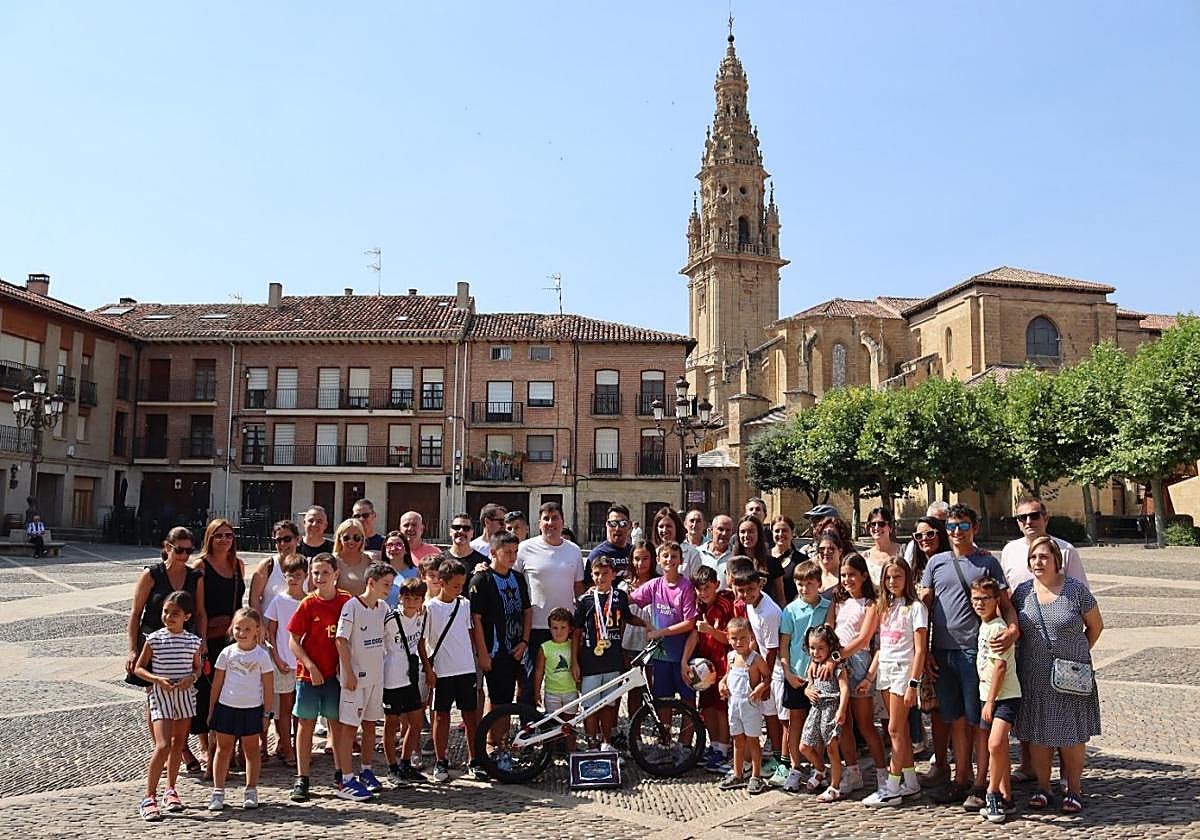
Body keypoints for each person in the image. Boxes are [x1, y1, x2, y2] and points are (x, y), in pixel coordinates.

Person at [919, 504, 1019, 809]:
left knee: (980, 722)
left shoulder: (987, 563)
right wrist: (924, 654)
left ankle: (981, 784)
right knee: (956, 720)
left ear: (974, 528)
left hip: (975, 653)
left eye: (963, 526)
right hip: (943, 653)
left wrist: (1014, 629)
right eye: (951, 527)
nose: (956, 533)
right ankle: (960, 780)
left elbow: (1006, 603)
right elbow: (923, 609)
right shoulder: (935, 563)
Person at [1012, 536, 1103, 815]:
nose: (1038, 562)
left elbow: (1096, 626)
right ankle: (1043, 786)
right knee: (1038, 734)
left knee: (1071, 735)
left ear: (1056, 561)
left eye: (1043, 557)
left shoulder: (1075, 591)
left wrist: (1077, 654)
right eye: (1033, 558)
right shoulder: (1022, 593)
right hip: (1034, 674)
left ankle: (1073, 789)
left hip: (1071, 677)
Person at [125, 526, 206, 771]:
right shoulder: (152, 574)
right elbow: (135, 613)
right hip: (153, 640)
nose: (183, 555)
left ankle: (178, 746)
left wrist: (200, 644)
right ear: (167, 547)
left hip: (184, 642)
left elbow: (201, 613)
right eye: (179, 550)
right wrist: (132, 649)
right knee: (155, 695)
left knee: (182, 693)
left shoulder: (195, 577)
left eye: (188, 550)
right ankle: (166, 750)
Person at [286, 552, 352, 803]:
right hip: (310, 676)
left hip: (336, 675)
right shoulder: (308, 604)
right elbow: (293, 640)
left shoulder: (347, 601)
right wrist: (310, 666)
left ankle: (341, 773)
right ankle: (302, 777)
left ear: (336, 574)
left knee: (336, 724)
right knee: (306, 725)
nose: (319, 577)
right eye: (315, 573)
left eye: (325, 572)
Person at [133, 590, 203, 821]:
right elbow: (139, 668)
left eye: (175, 613)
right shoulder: (154, 639)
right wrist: (155, 679)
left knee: (178, 744)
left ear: (187, 616)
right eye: (166, 612)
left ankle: (171, 789)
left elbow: (197, 669)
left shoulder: (193, 641)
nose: (169, 617)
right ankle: (149, 795)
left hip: (183, 696)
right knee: (162, 745)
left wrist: (190, 679)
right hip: (161, 696)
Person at [864, 557, 928, 807]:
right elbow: (882, 647)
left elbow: (920, 649)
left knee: (893, 729)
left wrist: (914, 683)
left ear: (907, 578)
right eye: (888, 577)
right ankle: (910, 782)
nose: (893, 582)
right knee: (898, 730)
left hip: (904, 672)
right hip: (886, 672)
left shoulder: (916, 608)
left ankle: (892, 786)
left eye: (898, 576)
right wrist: (871, 674)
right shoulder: (885, 607)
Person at [334, 561, 395, 799]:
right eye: (386, 584)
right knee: (349, 728)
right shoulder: (352, 606)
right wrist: (348, 672)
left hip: (375, 677)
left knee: (370, 725)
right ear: (371, 582)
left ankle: (366, 770)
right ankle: (346, 779)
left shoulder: (382, 608)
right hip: (355, 680)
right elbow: (340, 640)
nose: (389, 589)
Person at [191, 519, 245, 777]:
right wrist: (201, 644)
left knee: (230, 692)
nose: (224, 540)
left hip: (232, 637)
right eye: (218, 535)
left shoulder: (237, 566)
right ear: (209, 538)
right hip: (210, 638)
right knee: (206, 692)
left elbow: (239, 603)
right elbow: (199, 610)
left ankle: (226, 746)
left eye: (228, 535)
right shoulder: (201, 566)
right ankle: (205, 746)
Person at [516, 502, 585, 704]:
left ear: (563, 522)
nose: (550, 523)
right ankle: (528, 727)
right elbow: (515, 580)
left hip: (564, 628)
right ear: (539, 523)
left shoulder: (573, 550)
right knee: (531, 679)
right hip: (534, 626)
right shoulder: (525, 548)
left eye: (555, 518)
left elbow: (578, 588)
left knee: (563, 677)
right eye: (546, 518)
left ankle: (559, 727)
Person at [207, 607, 273, 812]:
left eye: (247, 628)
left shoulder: (262, 656)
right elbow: (217, 684)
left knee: (251, 751)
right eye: (238, 628)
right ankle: (218, 792)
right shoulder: (227, 653)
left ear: (257, 630)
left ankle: (251, 789)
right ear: (231, 629)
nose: (242, 633)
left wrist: (267, 713)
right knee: (223, 749)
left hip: (252, 709)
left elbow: (269, 687)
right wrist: (212, 710)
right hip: (227, 707)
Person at [831, 552, 886, 796]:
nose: (847, 579)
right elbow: (830, 628)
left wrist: (837, 655)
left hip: (857, 661)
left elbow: (864, 637)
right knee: (843, 723)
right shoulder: (839, 602)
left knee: (865, 724)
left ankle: (883, 773)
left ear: (863, 575)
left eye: (852, 574)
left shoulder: (871, 604)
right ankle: (852, 772)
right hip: (838, 663)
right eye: (843, 575)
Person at [425, 558, 484, 783]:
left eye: (462, 585)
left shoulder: (465, 604)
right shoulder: (430, 608)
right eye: (455, 585)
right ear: (441, 582)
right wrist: (429, 669)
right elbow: (424, 641)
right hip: (442, 670)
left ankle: (474, 759)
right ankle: (441, 760)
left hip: (466, 668)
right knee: (441, 715)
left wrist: (478, 656)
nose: (459, 590)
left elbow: (470, 632)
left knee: (470, 715)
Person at [777, 560, 832, 792]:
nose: (804, 588)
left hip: (819, 677)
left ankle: (818, 768)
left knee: (818, 725)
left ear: (819, 584)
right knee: (794, 722)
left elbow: (831, 639)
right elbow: (784, 645)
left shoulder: (828, 607)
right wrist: (787, 672)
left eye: (809, 583)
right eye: (800, 584)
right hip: (796, 675)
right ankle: (796, 767)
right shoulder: (790, 610)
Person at [971, 576, 1021, 823]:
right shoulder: (985, 625)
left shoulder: (999, 628)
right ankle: (1007, 796)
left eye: (985, 599)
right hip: (987, 695)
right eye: (976, 599)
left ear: (996, 600)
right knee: (999, 749)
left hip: (1005, 696)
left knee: (994, 744)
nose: (979, 603)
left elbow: (1000, 667)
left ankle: (991, 793)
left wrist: (990, 701)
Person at [470, 532, 532, 726]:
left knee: (505, 699)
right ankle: (493, 744)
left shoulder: (518, 578)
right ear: (494, 553)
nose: (513, 557)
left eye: (515, 552)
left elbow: (527, 611)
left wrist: (524, 642)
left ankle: (500, 741)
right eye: (507, 552)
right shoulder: (481, 581)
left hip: (516, 649)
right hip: (494, 651)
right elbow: (475, 619)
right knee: (498, 702)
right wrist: (483, 653)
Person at [573, 555, 635, 749]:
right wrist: (575, 662)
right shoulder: (585, 600)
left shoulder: (620, 596)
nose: (601, 578)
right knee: (590, 706)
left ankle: (607, 743)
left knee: (609, 704)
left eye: (605, 573)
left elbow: (628, 618)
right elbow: (576, 633)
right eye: (597, 574)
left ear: (613, 575)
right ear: (591, 575)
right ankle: (592, 744)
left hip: (612, 660)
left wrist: (647, 626)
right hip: (590, 661)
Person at [731, 565, 786, 781]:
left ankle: (781, 760)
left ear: (760, 586)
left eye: (750, 590)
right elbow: (757, 642)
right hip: (764, 666)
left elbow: (772, 649)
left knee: (777, 718)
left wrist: (766, 681)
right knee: (768, 714)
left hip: (777, 669)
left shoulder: (769, 612)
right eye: (741, 590)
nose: (746, 595)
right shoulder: (751, 606)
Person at [630, 541, 698, 703]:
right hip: (660, 656)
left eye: (674, 556)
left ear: (681, 560)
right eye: (665, 556)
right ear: (659, 560)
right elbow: (630, 599)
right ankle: (665, 729)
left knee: (688, 701)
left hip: (682, 655)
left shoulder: (687, 587)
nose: (669, 560)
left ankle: (690, 729)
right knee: (662, 701)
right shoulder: (655, 585)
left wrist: (659, 632)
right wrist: (604, 592)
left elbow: (689, 623)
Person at [684, 564, 735, 773]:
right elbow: (695, 634)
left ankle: (724, 748)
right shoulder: (698, 606)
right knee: (707, 707)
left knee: (722, 708)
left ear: (716, 585)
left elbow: (728, 638)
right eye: (699, 589)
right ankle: (714, 746)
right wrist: (684, 660)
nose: (703, 593)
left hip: (722, 663)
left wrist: (710, 630)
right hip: (705, 664)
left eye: (707, 588)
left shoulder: (724, 605)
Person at [383, 577, 431, 784]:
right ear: (400, 597)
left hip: (410, 676)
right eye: (407, 597)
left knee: (416, 722)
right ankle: (392, 767)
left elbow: (420, 642)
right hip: (391, 677)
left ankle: (404, 763)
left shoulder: (422, 616)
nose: (411, 602)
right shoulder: (391, 619)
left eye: (416, 598)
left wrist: (428, 669)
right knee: (391, 723)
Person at [263, 554, 309, 766]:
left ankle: (300, 746)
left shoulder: (309, 601)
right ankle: (287, 747)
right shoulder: (279, 600)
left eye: (297, 575)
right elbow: (270, 632)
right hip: (283, 662)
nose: (293, 579)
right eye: (290, 575)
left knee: (301, 709)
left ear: (305, 576)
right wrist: (276, 657)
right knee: (284, 708)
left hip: (304, 663)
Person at [717, 617, 771, 794]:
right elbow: (728, 674)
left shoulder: (756, 660)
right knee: (737, 741)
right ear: (728, 638)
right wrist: (722, 684)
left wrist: (760, 689)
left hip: (750, 706)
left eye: (743, 638)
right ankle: (738, 773)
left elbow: (767, 677)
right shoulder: (731, 657)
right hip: (734, 705)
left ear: (750, 638)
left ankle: (756, 776)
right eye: (734, 638)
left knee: (753, 742)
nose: (739, 642)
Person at [799, 625, 850, 802]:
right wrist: (807, 691)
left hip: (831, 708)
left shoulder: (837, 665)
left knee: (832, 748)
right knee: (804, 747)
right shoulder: (813, 665)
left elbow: (844, 689)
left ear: (829, 647)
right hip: (816, 709)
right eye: (812, 648)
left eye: (820, 648)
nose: (816, 652)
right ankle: (821, 769)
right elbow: (809, 685)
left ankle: (834, 786)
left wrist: (841, 710)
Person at [1001, 496, 1088, 591]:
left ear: (1046, 519)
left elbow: (1081, 592)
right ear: (1018, 522)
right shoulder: (1009, 551)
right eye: (1023, 517)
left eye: (1034, 516)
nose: (1028, 521)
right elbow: (1005, 592)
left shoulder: (1066, 550)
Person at [619, 541, 657, 721]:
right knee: (633, 687)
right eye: (636, 559)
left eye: (645, 559)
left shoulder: (658, 584)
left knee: (652, 686)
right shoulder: (624, 586)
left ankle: (655, 720)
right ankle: (635, 727)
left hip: (651, 643)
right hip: (629, 643)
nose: (640, 563)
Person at [533, 608, 579, 749]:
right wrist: (537, 691)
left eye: (563, 628)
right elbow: (539, 671)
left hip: (571, 691)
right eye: (555, 628)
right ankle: (550, 754)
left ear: (569, 629)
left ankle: (571, 752)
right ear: (550, 628)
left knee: (570, 723)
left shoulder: (573, 645)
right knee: (552, 725)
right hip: (552, 692)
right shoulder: (545, 647)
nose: (559, 631)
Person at [735, 514, 785, 606]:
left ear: (759, 534)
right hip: (741, 616)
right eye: (742, 532)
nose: (746, 535)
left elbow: (781, 598)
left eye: (751, 531)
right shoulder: (733, 563)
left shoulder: (772, 563)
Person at [585, 503, 634, 583]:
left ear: (629, 525)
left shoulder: (634, 553)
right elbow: (589, 585)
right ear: (607, 525)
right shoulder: (597, 554)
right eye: (613, 524)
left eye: (623, 523)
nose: (617, 529)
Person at [651, 507, 703, 578]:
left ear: (677, 527)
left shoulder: (692, 554)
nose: (664, 530)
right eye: (661, 526)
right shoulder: (655, 553)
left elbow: (697, 584)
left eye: (668, 526)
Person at [863, 507, 903, 587]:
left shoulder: (902, 552)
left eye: (882, 524)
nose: (877, 528)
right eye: (873, 524)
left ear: (890, 527)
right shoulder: (865, 557)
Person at [333, 517, 372, 597]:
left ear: (362, 538)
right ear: (340, 538)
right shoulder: (332, 560)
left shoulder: (369, 560)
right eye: (346, 538)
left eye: (356, 538)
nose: (351, 541)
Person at [903, 502, 950, 566]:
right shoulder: (913, 546)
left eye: (941, 522)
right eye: (918, 536)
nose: (924, 538)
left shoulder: (954, 544)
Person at [771, 516, 802, 605]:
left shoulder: (802, 560)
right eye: (777, 531)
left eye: (784, 530)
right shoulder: (764, 557)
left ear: (792, 533)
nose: (780, 534)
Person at [698, 515, 734, 582]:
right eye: (720, 529)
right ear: (711, 530)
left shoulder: (736, 554)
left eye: (728, 530)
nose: (724, 533)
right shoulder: (698, 553)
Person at [813, 530, 844, 597]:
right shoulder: (811, 573)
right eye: (821, 549)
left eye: (831, 549)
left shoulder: (845, 577)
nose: (825, 552)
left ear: (840, 552)